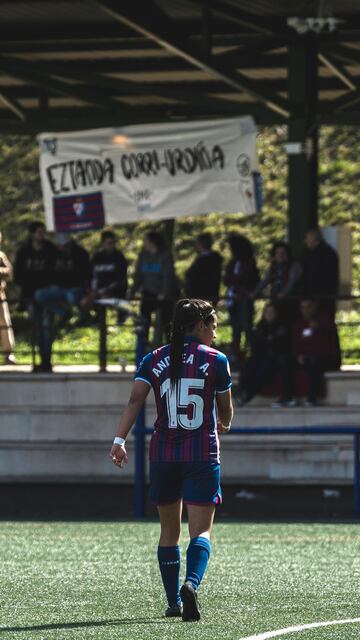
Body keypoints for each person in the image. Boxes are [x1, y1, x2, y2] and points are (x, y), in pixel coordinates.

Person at [110, 298, 233, 621]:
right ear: (201, 325)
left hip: (163, 454)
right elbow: (226, 409)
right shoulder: (216, 360)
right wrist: (226, 421)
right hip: (201, 454)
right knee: (201, 532)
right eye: (214, 327)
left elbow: (135, 399)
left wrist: (119, 440)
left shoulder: (153, 358)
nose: (215, 335)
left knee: (168, 532)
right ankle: (191, 584)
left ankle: (172, 602)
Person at [14, 221, 57, 372]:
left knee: (47, 328)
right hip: (30, 296)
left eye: (43, 231)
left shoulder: (50, 249)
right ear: (32, 233)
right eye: (39, 232)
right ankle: (40, 360)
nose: (42, 234)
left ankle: (47, 360)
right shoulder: (24, 252)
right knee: (37, 328)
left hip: (46, 296)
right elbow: (17, 275)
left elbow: (55, 272)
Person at [240, 302, 296, 407]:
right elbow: (258, 345)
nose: (269, 314)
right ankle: (243, 391)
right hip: (262, 356)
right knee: (250, 364)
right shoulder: (261, 326)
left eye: (271, 312)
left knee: (264, 369)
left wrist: (271, 341)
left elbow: (281, 344)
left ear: (276, 313)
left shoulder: (282, 326)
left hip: (276, 358)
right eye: (267, 312)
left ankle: (248, 395)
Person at [130, 231, 177, 344]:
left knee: (167, 321)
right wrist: (132, 292)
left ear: (152, 242)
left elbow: (168, 275)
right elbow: (138, 276)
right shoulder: (143, 256)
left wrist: (164, 292)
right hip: (148, 293)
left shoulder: (165, 256)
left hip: (163, 294)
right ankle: (143, 343)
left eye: (145, 240)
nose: (144, 243)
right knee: (144, 320)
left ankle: (171, 345)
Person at [293, 298, 341, 406]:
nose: (306, 310)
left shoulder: (324, 321)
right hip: (306, 358)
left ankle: (312, 397)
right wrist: (299, 355)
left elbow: (329, 343)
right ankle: (289, 397)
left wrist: (319, 329)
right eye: (303, 307)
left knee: (316, 362)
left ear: (314, 306)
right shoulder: (299, 324)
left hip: (325, 358)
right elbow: (296, 343)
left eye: (308, 307)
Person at [81, 230, 128, 324]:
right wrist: (91, 290)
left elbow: (120, 279)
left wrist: (102, 291)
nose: (111, 245)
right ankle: (91, 320)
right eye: (108, 243)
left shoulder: (119, 257)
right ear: (102, 243)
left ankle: (121, 315)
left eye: (113, 243)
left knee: (103, 298)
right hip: (97, 290)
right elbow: (91, 276)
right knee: (83, 301)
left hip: (115, 291)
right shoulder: (97, 257)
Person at [224, 233, 259, 358]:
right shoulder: (233, 262)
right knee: (235, 327)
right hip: (233, 298)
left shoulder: (249, 262)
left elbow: (248, 278)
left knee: (246, 325)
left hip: (243, 298)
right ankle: (236, 353)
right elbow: (227, 279)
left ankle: (252, 352)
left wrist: (236, 281)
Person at [252, 241, 302, 322]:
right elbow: (265, 281)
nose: (280, 255)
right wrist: (255, 292)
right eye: (278, 253)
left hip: (290, 301)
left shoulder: (294, 266)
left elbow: (291, 282)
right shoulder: (273, 267)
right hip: (275, 300)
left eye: (283, 253)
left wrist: (284, 293)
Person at [301, 228, 339, 318]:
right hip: (326, 296)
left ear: (313, 239)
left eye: (307, 238)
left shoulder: (314, 255)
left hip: (317, 296)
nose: (306, 241)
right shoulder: (329, 252)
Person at [184, 233, 222, 304]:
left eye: (197, 243)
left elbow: (211, 279)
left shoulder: (211, 260)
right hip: (197, 296)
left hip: (204, 297)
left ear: (201, 244)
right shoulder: (201, 258)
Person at [0, 231, 16, 364]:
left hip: (0, 295)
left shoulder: (1, 256)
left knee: (5, 324)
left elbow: (9, 271)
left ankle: (8, 354)